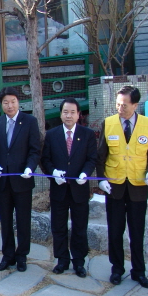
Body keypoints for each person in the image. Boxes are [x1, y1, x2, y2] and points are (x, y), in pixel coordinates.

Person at [97, 85, 148, 289]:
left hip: (138, 187)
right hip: (114, 187)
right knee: (115, 231)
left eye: (124, 105)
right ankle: (117, 269)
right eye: (117, 104)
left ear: (135, 105)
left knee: (137, 231)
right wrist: (101, 179)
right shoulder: (108, 123)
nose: (120, 108)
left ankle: (139, 272)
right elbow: (100, 156)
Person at [41, 97, 97, 278]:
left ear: (79, 114)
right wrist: (53, 172)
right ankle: (62, 260)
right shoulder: (52, 135)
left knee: (79, 227)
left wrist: (85, 173)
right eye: (65, 112)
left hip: (79, 190)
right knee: (58, 226)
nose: (69, 115)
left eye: (73, 112)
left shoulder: (87, 134)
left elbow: (92, 159)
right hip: (59, 189)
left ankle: (79, 262)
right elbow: (45, 159)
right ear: (60, 114)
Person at [0, 87, 41, 272]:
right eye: (6, 102)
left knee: (23, 220)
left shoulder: (29, 121)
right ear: (1, 104)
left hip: (22, 180)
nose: (9, 105)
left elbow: (35, 149)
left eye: (12, 101)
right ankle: (8, 255)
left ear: (18, 102)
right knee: (5, 221)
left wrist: (30, 167)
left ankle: (22, 256)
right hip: (3, 181)